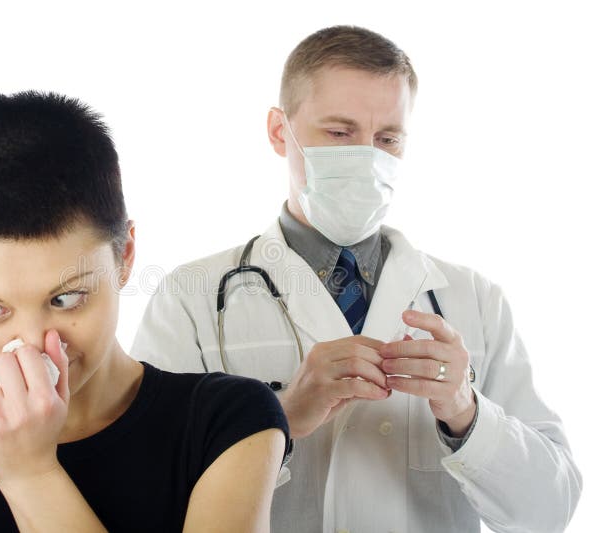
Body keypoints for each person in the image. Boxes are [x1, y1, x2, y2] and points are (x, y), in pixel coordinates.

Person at [132, 26, 582, 533]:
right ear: (281, 132)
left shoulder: (474, 300)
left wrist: (465, 412)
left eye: (387, 138)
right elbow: (140, 492)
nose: (368, 159)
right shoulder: (191, 299)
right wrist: (278, 419)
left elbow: (549, 511)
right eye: (340, 133)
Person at [0, 91, 289, 532]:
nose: (34, 344)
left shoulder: (229, 423)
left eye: (65, 299)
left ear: (125, 256)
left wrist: (29, 475)